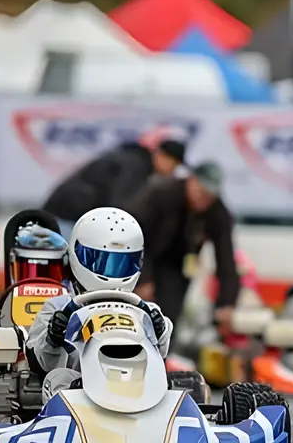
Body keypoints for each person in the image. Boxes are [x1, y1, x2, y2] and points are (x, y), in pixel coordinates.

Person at [28, 207, 171, 378]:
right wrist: (53, 337)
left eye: (122, 263)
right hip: (78, 391)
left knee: (193, 385)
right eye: (102, 261)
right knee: (59, 379)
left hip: (137, 390)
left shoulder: (146, 312)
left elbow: (161, 355)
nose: (112, 271)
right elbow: (37, 361)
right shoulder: (59, 307)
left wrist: (159, 331)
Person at [128, 160, 239, 327]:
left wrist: (226, 303)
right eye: (201, 193)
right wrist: (142, 279)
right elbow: (135, 237)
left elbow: (226, 259)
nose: (204, 201)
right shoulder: (160, 195)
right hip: (146, 258)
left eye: (209, 197)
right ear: (191, 181)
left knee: (168, 318)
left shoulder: (217, 212)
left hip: (179, 267)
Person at [44, 134, 187, 230]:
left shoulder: (134, 160)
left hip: (67, 215)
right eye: (173, 165)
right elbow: (118, 208)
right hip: (68, 217)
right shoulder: (135, 167)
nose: (172, 171)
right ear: (162, 156)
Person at [0, 209, 73, 326]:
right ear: (13, 268)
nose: (39, 282)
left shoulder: (72, 311)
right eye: (30, 271)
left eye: (47, 272)